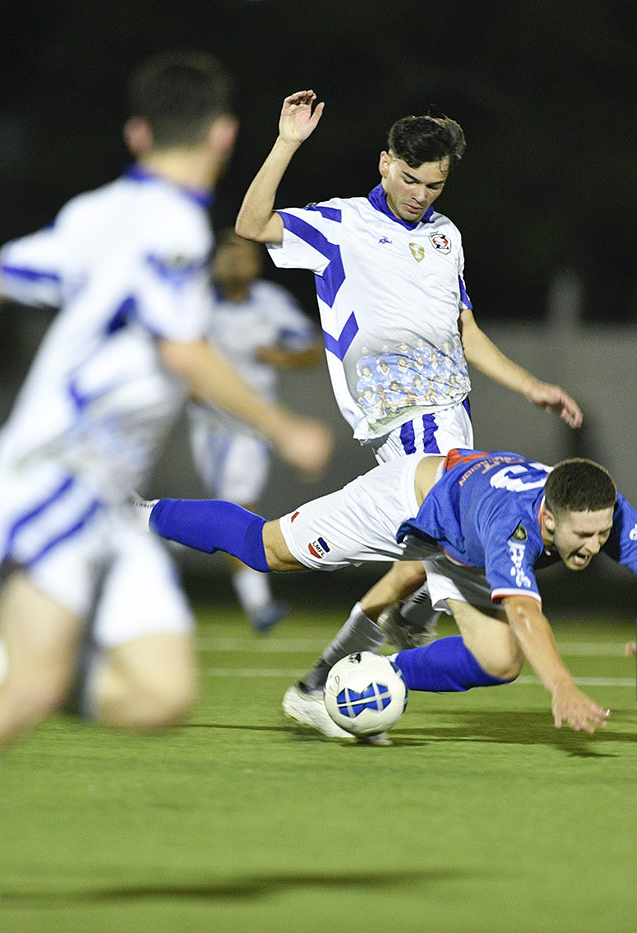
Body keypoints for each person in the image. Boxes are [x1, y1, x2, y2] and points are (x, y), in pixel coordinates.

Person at [0, 51, 332, 912]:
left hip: (104, 504)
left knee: (162, 692)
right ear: (227, 134)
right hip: (52, 480)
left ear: (135, 133)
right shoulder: (166, 227)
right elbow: (180, 350)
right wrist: (281, 425)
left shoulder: (101, 211)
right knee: (35, 686)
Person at [234, 90, 585, 736]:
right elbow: (252, 225)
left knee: (421, 562)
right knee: (464, 579)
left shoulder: (446, 236)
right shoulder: (341, 226)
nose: (423, 194)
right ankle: (355, 663)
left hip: (453, 418)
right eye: (412, 178)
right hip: (411, 427)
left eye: (437, 183)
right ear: (385, 163)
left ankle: (336, 672)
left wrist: (528, 384)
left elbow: (464, 330)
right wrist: (287, 143)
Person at [142, 449, 637, 736]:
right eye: (584, 535)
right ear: (550, 516)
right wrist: (563, 688)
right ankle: (140, 514)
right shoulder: (516, 524)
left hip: (460, 543)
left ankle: (381, 678)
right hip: (408, 505)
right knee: (266, 550)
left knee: (500, 662)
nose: (597, 546)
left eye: (604, 534)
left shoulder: (601, 508)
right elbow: (527, 614)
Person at [187, 230, 322, 633]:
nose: (233, 263)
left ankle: (257, 602)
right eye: (225, 255)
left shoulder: (270, 303)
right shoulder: (195, 303)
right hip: (211, 425)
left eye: (241, 255)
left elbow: (311, 349)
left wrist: (280, 356)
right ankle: (254, 598)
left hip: (255, 425)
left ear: (256, 262)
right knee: (235, 505)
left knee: (237, 504)